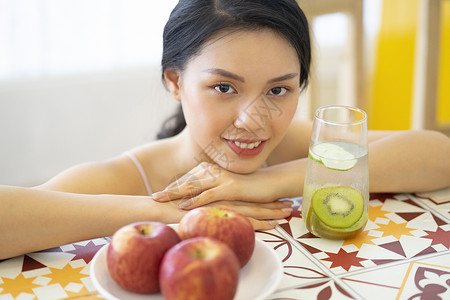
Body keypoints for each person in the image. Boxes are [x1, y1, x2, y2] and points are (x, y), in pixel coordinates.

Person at [0, 0, 449, 260]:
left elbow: (437, 156)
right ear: (175, 82)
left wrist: (268, 179)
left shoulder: (291, 146)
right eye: (223, 87)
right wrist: (164, 213)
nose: (250, 120)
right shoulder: (127, 178)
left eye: (278, 90)